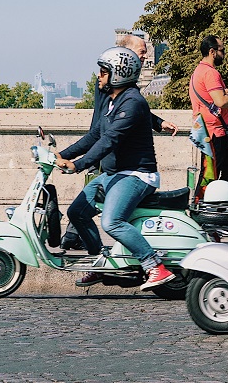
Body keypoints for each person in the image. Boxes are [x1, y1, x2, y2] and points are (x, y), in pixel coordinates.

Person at [55, 47, 176, 290]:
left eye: (103, 71)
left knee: (112, 221)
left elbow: (110, 140)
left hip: (137, 175)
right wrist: (61, 154)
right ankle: (101, 263)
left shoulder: (132, 102)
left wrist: (77, 165)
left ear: (118, 73)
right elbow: (94, 136)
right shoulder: (113, 101)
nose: (99, 76)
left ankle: (155, 266)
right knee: (77, 212)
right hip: (114, 174)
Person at [189, 35, 228, 187]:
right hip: (214, 134)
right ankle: (202, 205)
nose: (224, 54)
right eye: (222, 50)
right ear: (212, 52)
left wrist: (224, 93)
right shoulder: (211, 73)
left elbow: (213, 99)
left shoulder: (199, 71)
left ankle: (217, 201)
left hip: (209, 131)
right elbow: (221, 102)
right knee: (210, 176)